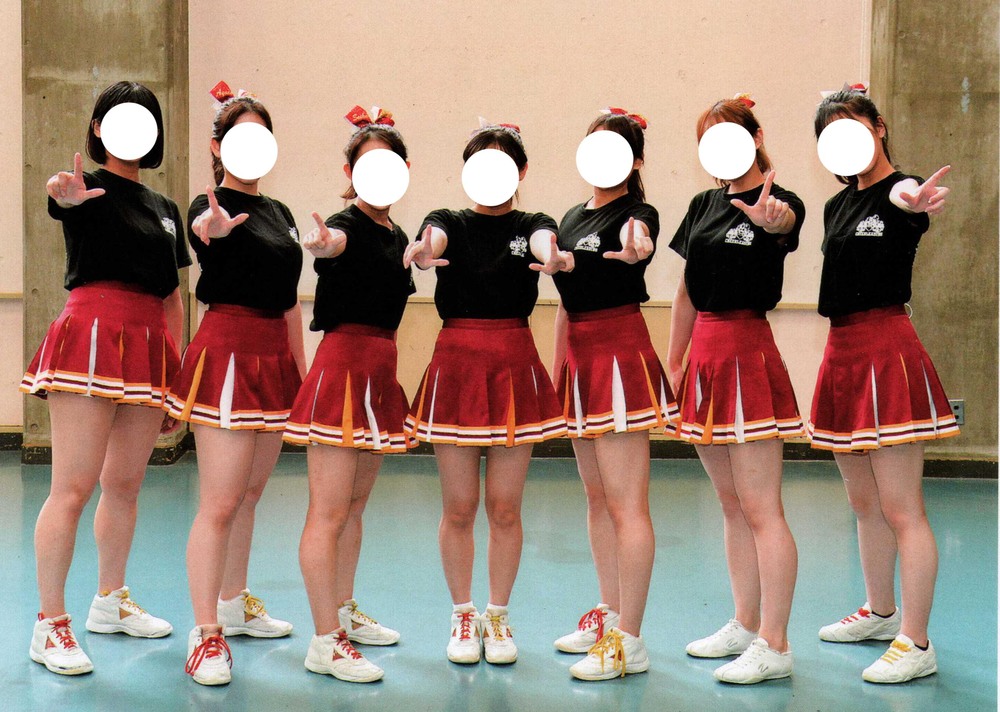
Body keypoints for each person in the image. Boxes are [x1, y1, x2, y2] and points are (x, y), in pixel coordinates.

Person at [22, 81, 187, 675]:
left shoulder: (166, 209)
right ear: (98, 128)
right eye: (120, 117)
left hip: (147, 347)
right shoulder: (83, 188)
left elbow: (172, 296)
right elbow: (60, 196)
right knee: (72, 487)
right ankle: (49, 624)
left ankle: (109, 600)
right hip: (89, 337)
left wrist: (175, 373)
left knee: (125, 485)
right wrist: (62, 194)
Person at [404, 120, 571, 666]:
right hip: (456, 362)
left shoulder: (533, 224)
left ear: (521, 172)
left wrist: (554, 257)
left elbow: (546, 243)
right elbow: (432, 239)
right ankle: (462, 613)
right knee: (459, 506)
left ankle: (497, 615)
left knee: (504, 507)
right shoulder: (448, 220)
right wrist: (424, 252)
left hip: (514, 363)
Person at [809, 84, 957, 684]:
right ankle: (879, 611)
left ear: (879, 127)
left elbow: (906, 196)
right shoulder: (835, 205)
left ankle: (916, 642)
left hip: (886, 349)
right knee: (864, 504)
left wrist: (911, 199)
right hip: (841, 350)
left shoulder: (903, 189)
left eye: (852, 127)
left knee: (902, 508)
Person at [166, 82, 305, 685]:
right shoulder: (207, 205)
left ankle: (233, 602)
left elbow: (291, 302)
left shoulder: (282, 213)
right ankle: (205, 634)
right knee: (220, 501)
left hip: (274, 356)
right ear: (218, 146)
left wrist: (302, 374)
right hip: (226, 351)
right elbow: (206, 230)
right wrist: (212, 227)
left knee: (249, 494)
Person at [665, 94, 804, 684]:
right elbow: (686, 289)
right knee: (730, 504)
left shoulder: (781, 201)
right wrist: (675, 360)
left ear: (756, 136)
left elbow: (786, 223)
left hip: (747, 351)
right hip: (704, 354)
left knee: (762, 507)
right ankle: (746, 623)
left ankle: (776, 642)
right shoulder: (702, 204)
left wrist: (774, 222)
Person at [285, 105, 415, 684]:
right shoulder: (345, 224)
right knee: (329, 510)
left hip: (380, 371)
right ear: (350, 172)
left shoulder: (400, 235)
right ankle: (324, 640)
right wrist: (322, 243)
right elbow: (332, 242)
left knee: (355, 508)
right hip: (342, 370)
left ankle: (342, 608)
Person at [550, 108, 676, 681]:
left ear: (635, 161)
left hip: (620, 354)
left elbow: (639, 241)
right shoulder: (572, 215)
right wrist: (558, 370)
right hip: (579, 358)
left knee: (627, 504)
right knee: (597, 498)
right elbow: (565, 299)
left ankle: (632, 638)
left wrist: (637, 244)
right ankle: (610, 610)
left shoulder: (637, 214)